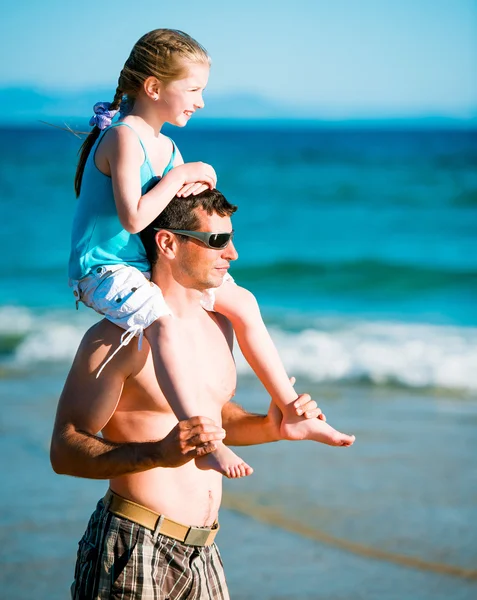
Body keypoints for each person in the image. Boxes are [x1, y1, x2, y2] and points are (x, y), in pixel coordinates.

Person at [69, 28, 354, 481]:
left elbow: (174, 213)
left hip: (142, 264)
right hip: (104, 268)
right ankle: (203, 438)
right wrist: (182, 172)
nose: (201, 101)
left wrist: (199, 189)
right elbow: (134, 219)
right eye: (195, 89)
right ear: (154, 87)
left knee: (243, 302)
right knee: (161, 323)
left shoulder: (166, 145)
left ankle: (292, 410)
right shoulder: (125, 138)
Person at [53, 189, 355, 598]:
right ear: (168, 243)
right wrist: (156, 453)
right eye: (217, 241)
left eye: (230, 239)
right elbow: (65, 448)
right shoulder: (115, 339)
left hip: (204, 552)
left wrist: (271, 427)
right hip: (133, 545)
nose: (232, 254)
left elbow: (215, 419)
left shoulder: (220, 325)